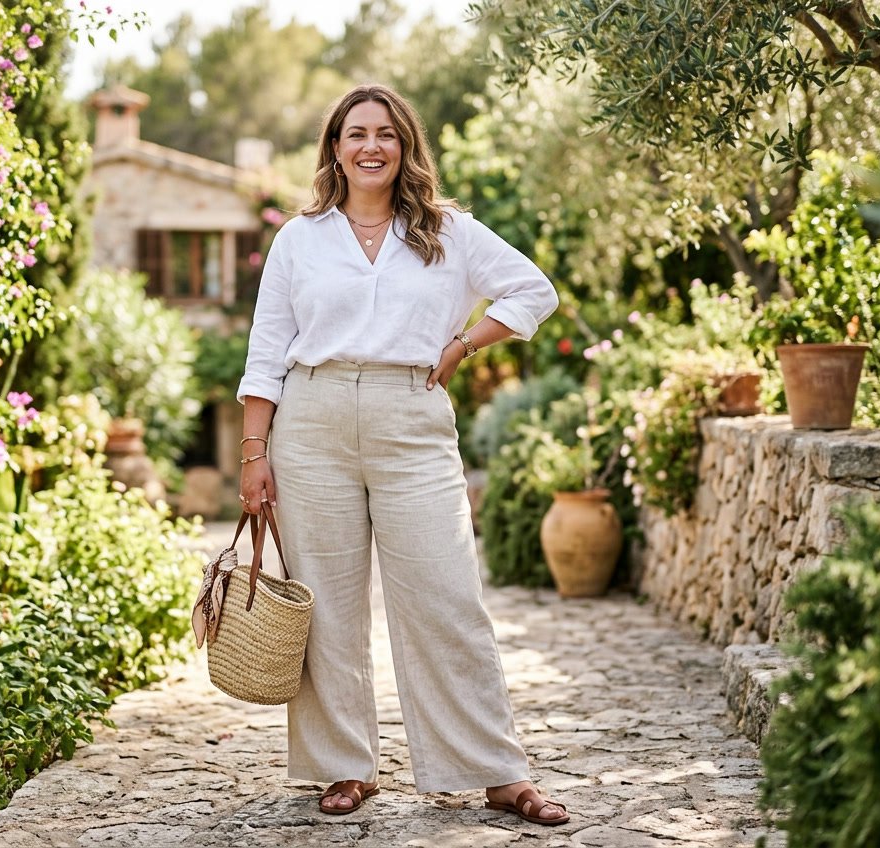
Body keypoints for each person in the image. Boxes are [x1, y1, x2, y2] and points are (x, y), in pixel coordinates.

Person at [235, 84, 567, 827]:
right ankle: (342, 766)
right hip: (311, 420)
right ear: (334, 148)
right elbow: (266, 353)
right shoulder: (300, 237)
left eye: (386, 133)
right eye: (356, 134)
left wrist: (464, 343)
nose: (371, 147)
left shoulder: (450, 231)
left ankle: (496, 770)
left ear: (405, 145)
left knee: (449, 597)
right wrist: (255, 452)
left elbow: (531, 291)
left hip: (411, 418)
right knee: (326, 602)